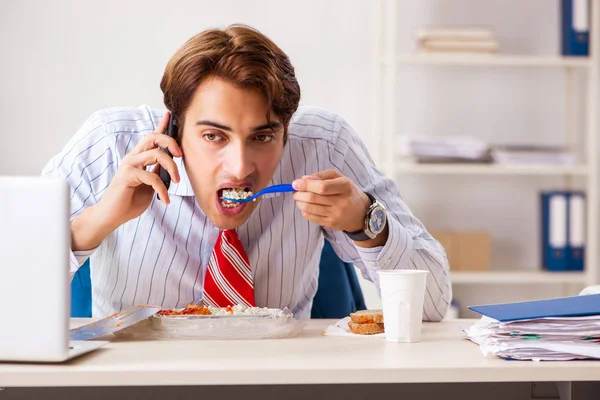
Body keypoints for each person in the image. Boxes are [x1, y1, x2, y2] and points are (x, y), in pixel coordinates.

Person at [42, 24, 451, 320]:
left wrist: (367, 223)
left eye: (262, 137)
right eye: (214, 137)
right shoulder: (110, 144)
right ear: (175, 130)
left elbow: (433, 305)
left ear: (287, 130)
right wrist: (97, 221)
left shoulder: (324, 145)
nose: (240, 168)